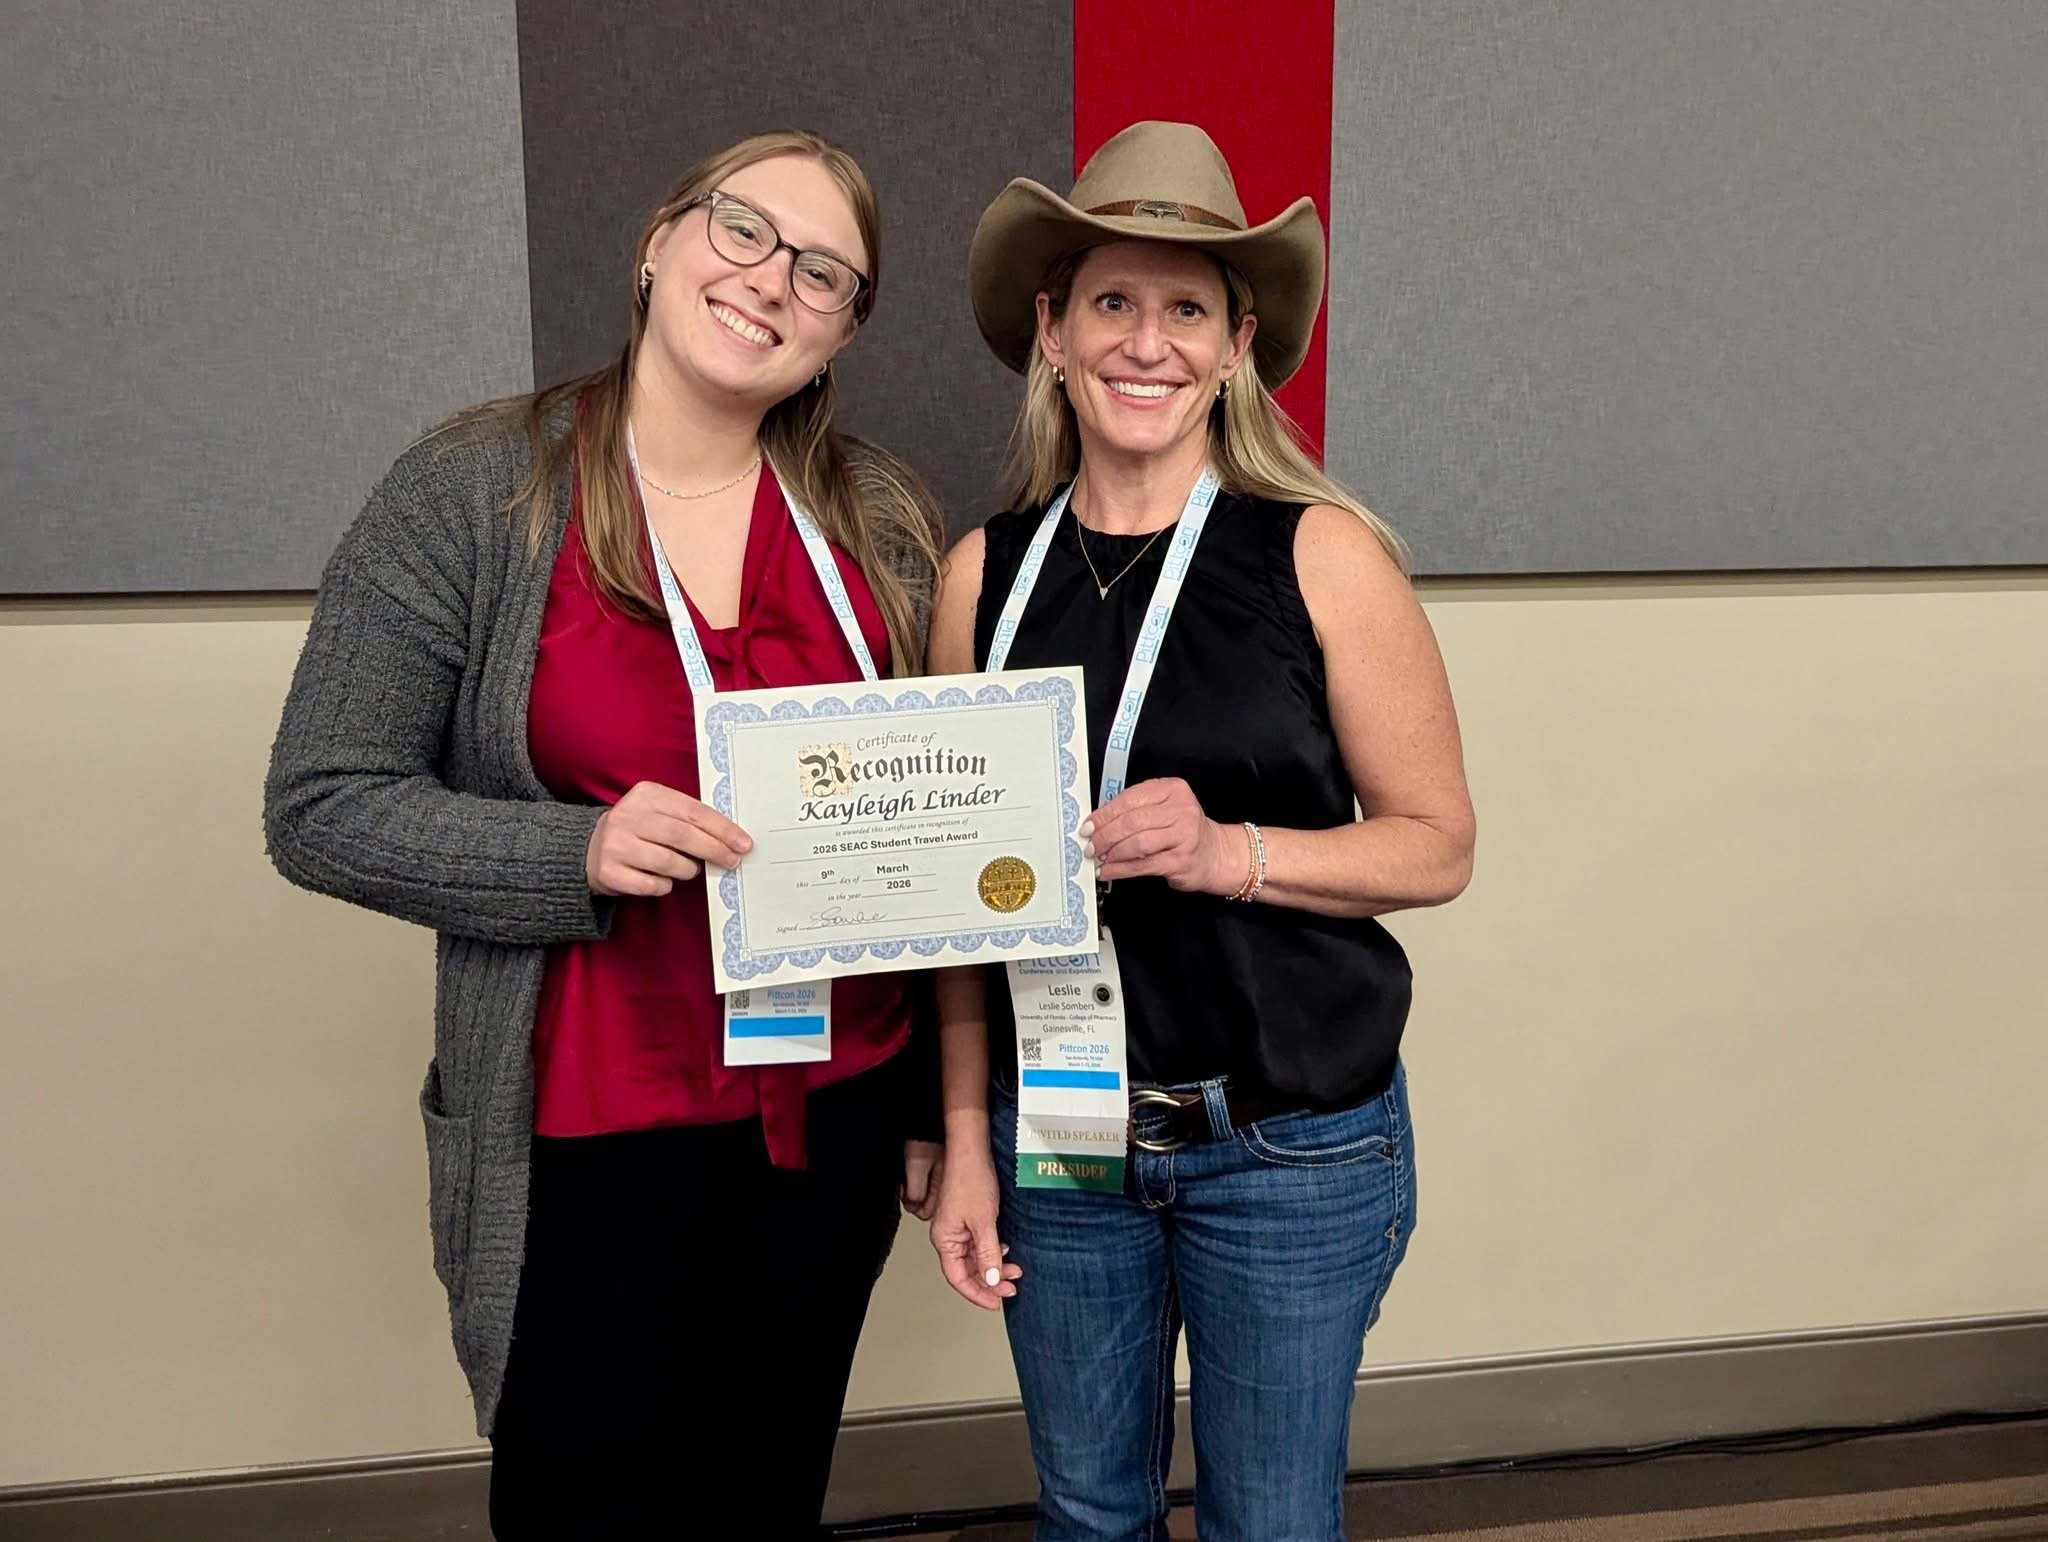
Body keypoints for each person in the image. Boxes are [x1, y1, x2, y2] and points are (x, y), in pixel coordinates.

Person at [265, 129, 944, 1540]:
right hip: (584, 1132)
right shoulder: (476, 491)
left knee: (765, 1499)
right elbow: (319, 800)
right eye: (742, 229)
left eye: (824, 273)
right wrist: (568, 851)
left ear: (840, 334)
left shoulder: (875, 522)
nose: (771, 280)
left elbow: (935, 832)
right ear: (657, 243)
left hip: (826, 1118)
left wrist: (946, 1096)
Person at [925, 121, 1477, 1541]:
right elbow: (952, 906)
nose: (1146, 342)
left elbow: (1437, 845)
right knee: (1088, 1514)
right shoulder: (982, 575)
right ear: (1051, 330)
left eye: (1187, 308)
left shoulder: (1321, 553)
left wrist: (1238, 849)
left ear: (1237, 344)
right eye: (1112, 301)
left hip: (1287, 1145)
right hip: (1061, 1138)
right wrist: (963, 1135)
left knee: (1272, 1524)